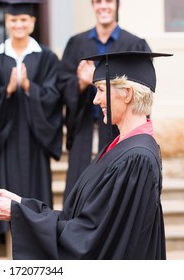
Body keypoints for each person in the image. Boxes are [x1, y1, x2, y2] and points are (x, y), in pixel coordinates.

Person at [0, 51, 171, 260]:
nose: (96, 100)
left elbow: (90, 240)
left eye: (101, 90)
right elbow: (79, 221)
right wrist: (22, 205)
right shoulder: (120, 148)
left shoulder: (136, 159)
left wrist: (19, 214)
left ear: (127, 94)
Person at [0, 0, 62, 244]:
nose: (19, 24)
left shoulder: (46, 57)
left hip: (36, 139)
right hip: (6, 139)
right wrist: (8, 90)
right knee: (6, 193)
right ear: (6, 22)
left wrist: (28, 88)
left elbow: (54, 96)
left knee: (35, 195)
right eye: (13, 20)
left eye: (24, 19)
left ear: (33, 23)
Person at [57, 0, 152, 201]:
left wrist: (96, 80)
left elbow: (141, 88)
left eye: (108, 1)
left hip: (119, 131)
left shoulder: (134, 44)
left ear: (118, 5)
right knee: (80, 190)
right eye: (98, 1)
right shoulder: (76, 43)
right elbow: (61, 85)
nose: (103, 6)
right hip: (85, 129)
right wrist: (81, 83)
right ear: (92, 5)